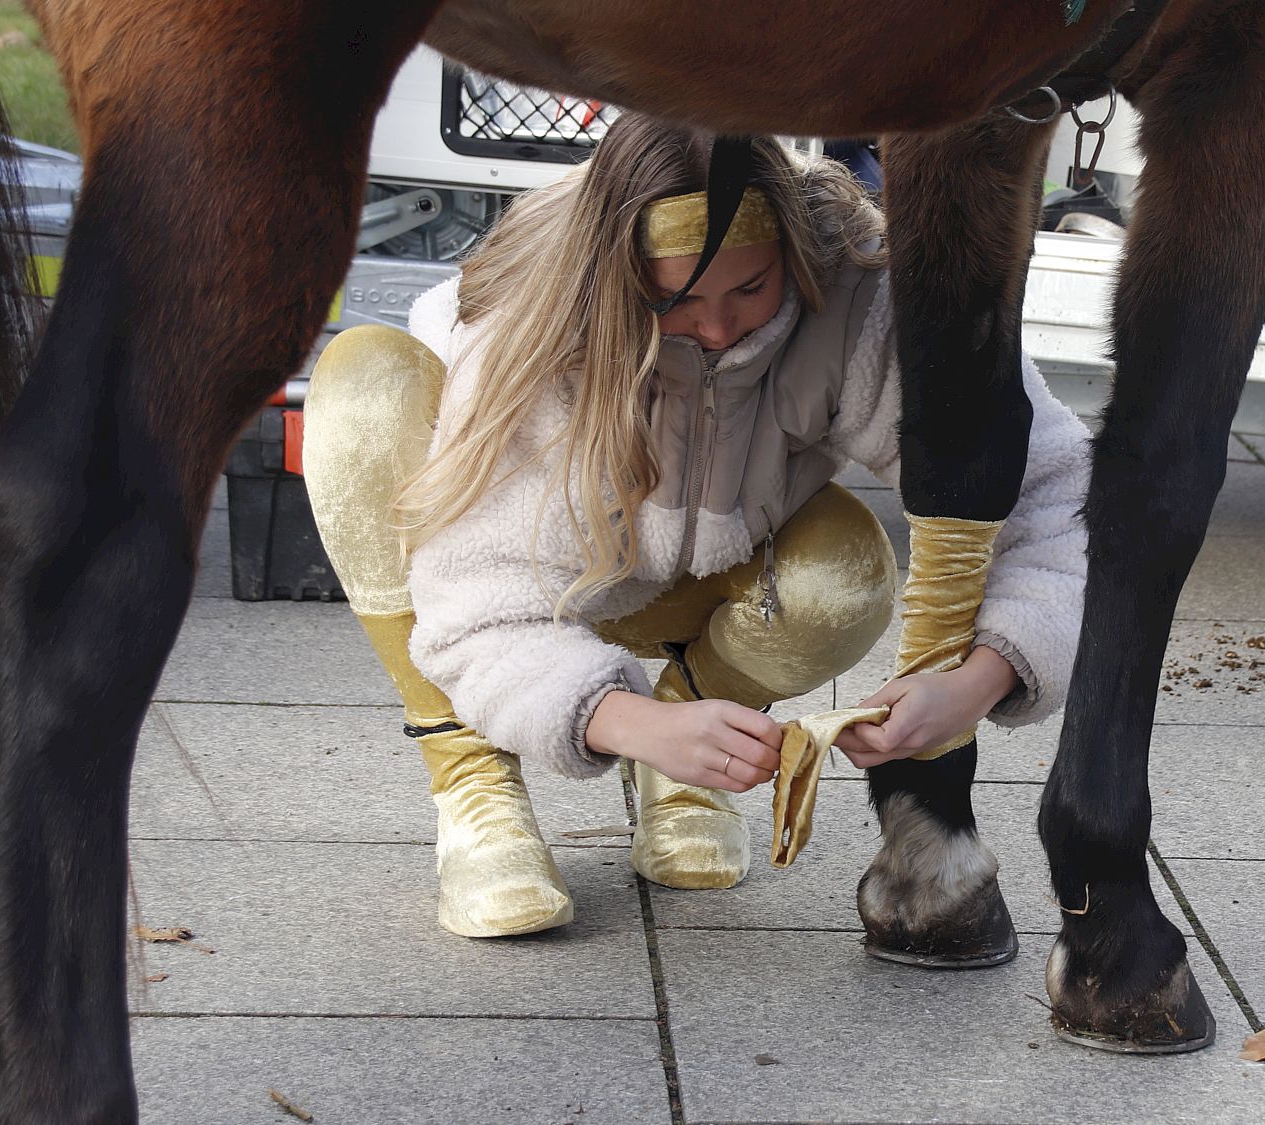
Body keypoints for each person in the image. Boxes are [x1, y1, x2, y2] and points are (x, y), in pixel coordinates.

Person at [301, 116, 1090, 939]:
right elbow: (475, 608)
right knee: (364, 388)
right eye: (675, 301)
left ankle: (694, 747)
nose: (717, 330)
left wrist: (972, 685)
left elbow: (1056, 491)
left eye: (752, 289)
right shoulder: (535, 319)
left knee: (848, 569)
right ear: (621, 280)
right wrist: (636, 726)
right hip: (531, 565)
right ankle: (474, 781)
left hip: (710, 564)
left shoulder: (856, 287)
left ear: (790, 244)